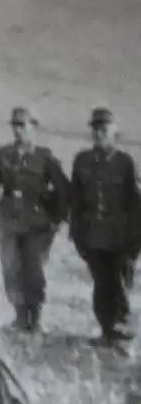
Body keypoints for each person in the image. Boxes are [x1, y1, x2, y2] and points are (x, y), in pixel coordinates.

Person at [0, 107, 69, 332]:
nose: (19, 130)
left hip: (36, 226)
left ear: (34, 127)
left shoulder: (45, 157)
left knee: (33, 271)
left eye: (23, 125)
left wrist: (55, 222)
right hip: (8, 225)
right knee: (11, 269)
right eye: (15, 125)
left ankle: (35, 318)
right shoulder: (2, 155)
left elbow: (63, 191)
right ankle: (19, 316)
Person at [69, 107, 141, 345]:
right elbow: (76, 199)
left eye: (104, 130)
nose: (99, 135)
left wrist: (135, 237)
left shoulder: (125, 163)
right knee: (100, 283)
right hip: (92, 234)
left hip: (120, 236)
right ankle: (106, 329)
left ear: (114, 133)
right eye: (96, 130)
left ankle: (120, 329)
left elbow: (135, 201)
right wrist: (76, 233)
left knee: (118, 282)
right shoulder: (83, 160)